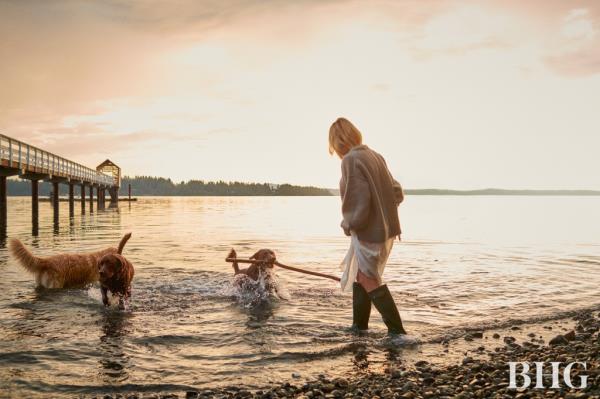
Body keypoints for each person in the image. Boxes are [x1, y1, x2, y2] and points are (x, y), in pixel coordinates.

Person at [329, 117, 407, 336]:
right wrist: (383, 214)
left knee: (368, 279)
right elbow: (397, 192)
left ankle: (398, 333)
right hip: (386, 232)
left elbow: (358, 200)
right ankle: (359, 328)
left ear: (337, 141)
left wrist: (349, 224)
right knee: (362, 277)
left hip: (368, 233)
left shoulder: (351, 160)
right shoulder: (375, 155)